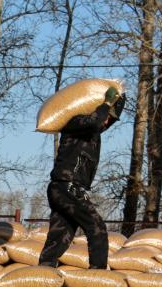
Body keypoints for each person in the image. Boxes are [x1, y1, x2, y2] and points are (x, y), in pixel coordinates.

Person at [38, 89, 125, 269]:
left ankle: (43, 272)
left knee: (60, 235)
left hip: (64, 188)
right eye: (108, 117)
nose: (107, 122)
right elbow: (94, 122)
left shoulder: (92, 132)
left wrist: (115, 104)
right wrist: (107, 103)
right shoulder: (76, 122)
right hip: (66, 185)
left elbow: (98, 123)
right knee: (97, 227)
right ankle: (97, 274)